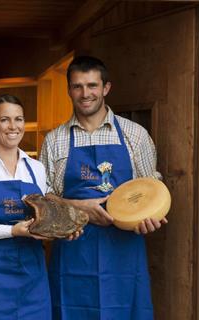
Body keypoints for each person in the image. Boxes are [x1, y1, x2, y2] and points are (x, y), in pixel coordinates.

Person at [40, 56, 167, 319]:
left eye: (92, 85)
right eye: (77, 86)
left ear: (106, 88)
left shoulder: (135, 135)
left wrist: (149, 218)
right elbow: (44, 198)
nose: (85, 94)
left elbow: (151, 190)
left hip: (124, 252)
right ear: (69, 91)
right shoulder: (54, 141)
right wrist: (79, 206)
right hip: (72, 252)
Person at [0, 94, 53, 320]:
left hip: (32, 271)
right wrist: (11, 231)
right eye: (5, 119)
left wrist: (61, 230)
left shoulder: (36, 168)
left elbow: (43, 219)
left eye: (18, 119)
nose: (13, 126)